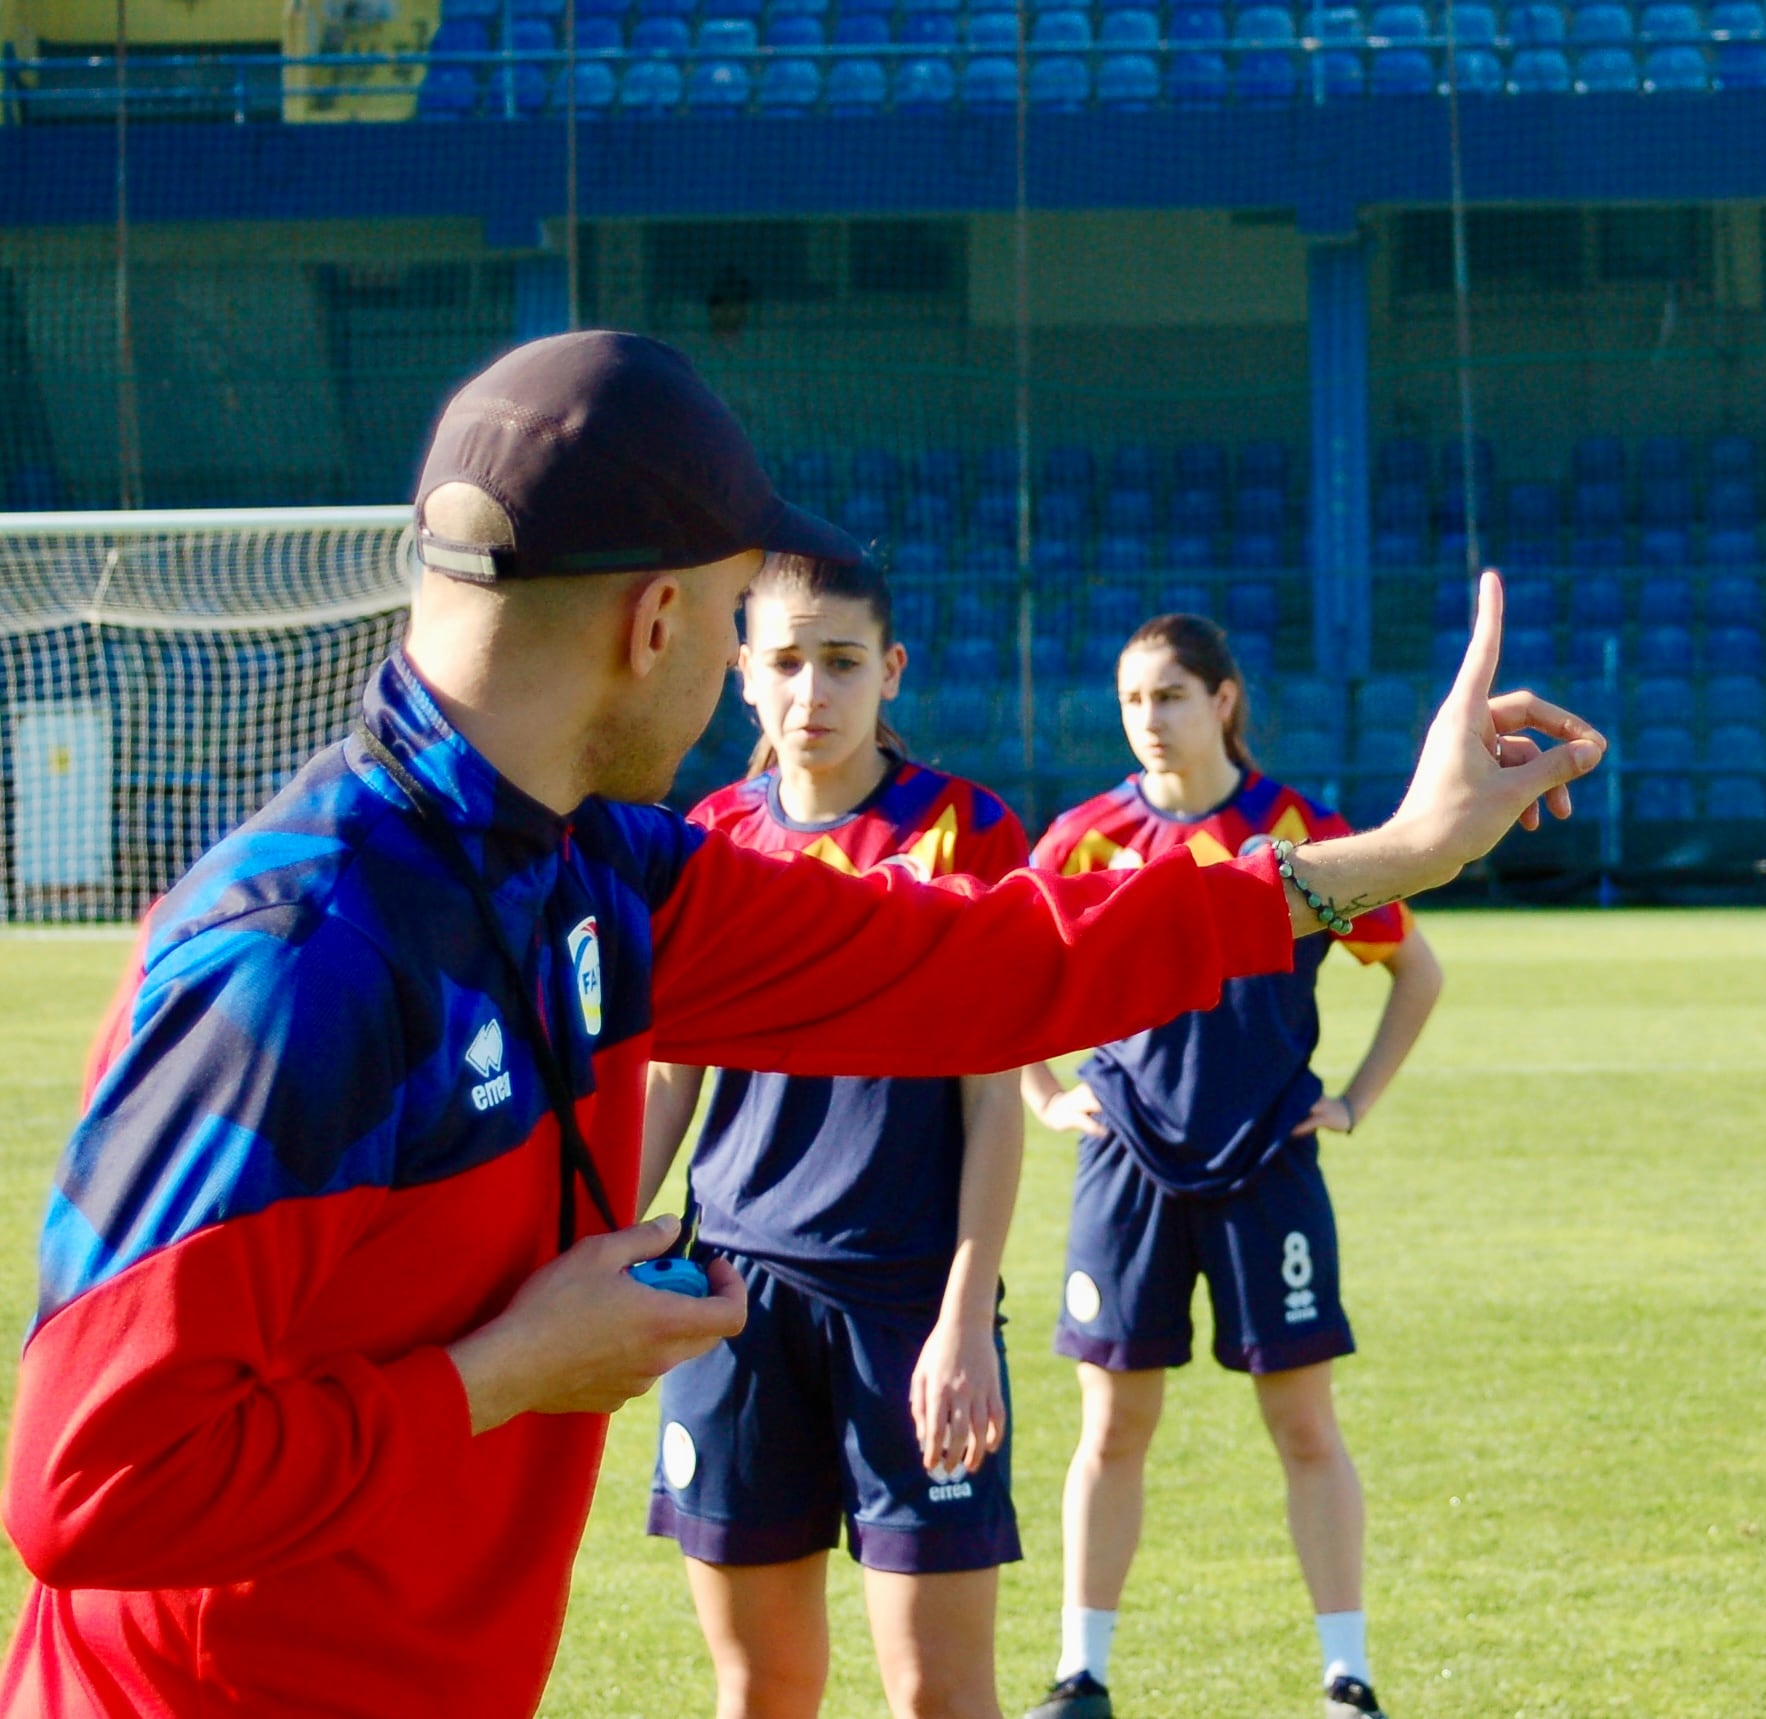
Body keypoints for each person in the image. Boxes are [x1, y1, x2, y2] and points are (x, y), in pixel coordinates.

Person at [0, 330, 1605, 1719]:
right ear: (653, 624)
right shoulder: (300, 959)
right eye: (729, 615)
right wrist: (503, 1370)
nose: (742, 671)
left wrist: (1378, 861)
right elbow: (89, 1486)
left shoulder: (596, 869)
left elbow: (995, 962)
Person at [1018, 616, 1447, 1719]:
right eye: (1129, 701)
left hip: (1267, 1160)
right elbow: (1005, 980)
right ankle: (1082, 1676)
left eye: (1168, 696)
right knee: (1111, 1429)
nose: (1148, 721)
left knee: (1304, 1426)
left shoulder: (1295, 830)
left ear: (1224, 702)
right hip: (1128, 1170)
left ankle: (1346, 1677)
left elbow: (1414, 970)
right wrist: (1050, 1095)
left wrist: (1348, 1102)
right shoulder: (1082, 837)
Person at [638, 549, 1033, 1719]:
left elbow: (990, 1094)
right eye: (787, 662)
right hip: (731, 1299)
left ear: (891, 671)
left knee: (940, 1695)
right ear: (742, 676)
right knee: (760, 1688)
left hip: (907, 1305)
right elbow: (669, 1078)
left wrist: (963, 1318)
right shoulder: (707, 839)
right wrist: (603, 1248)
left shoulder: (964, 832)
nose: (814, 692)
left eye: (843, 663)